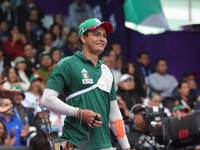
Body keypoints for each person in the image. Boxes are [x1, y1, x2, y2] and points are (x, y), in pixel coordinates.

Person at [42, 18, 130, 150]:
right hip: (73, 143)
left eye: (104, 35)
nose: (102, 39)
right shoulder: (67, 64)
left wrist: (126, 147)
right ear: (83, 38)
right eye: (96, 34)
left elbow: (114, 113)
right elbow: (47, 100)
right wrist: (79, 113)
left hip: (104, 145)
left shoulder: (107, 71)